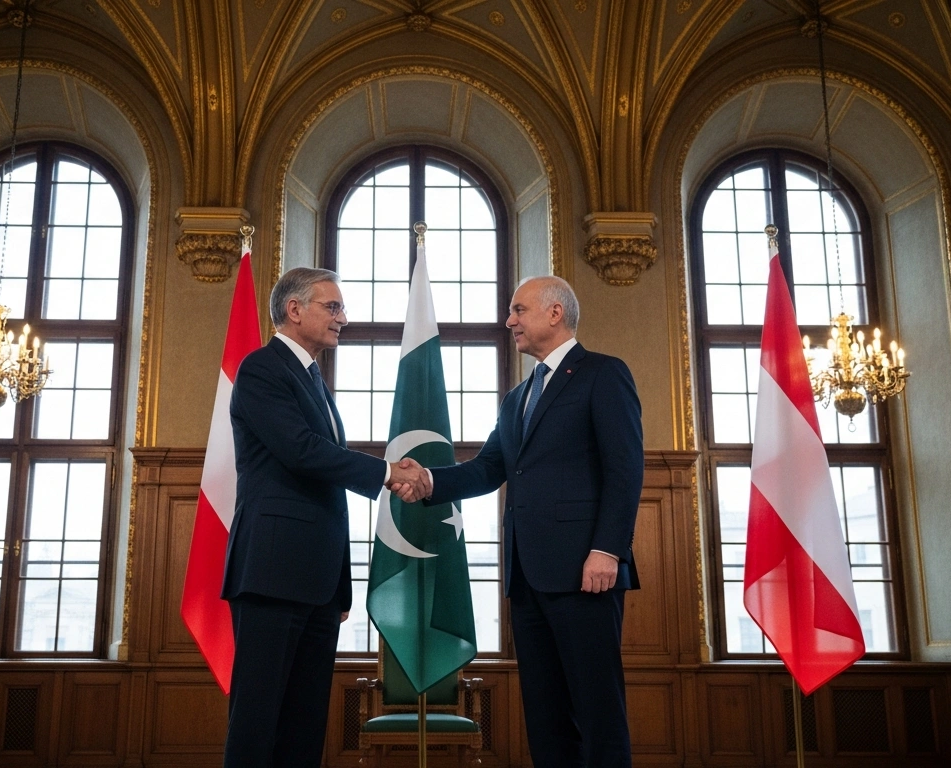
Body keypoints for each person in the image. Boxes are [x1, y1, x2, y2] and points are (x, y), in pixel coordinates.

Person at [404, 275, 643, 767]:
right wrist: (428, 480)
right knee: (546, 712)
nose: (509, 320)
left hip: (586, 573)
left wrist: (607, 550)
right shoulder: (517, 397)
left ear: (555, 313)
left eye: (518, 309)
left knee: (597, 709)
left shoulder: (603, 373)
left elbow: (625, 470)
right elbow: (488, 469)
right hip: (528, 577)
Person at [220, 266, 430, 767]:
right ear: (294, 310)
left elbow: (326, 489)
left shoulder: (312, 378)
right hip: (271, 575)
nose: (344, 319)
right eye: (332, 307)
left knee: (304, 724)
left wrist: (339, 586)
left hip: (315, 583)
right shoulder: (263, 369)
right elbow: (301, 452)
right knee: (256, 720)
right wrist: (385, 473)